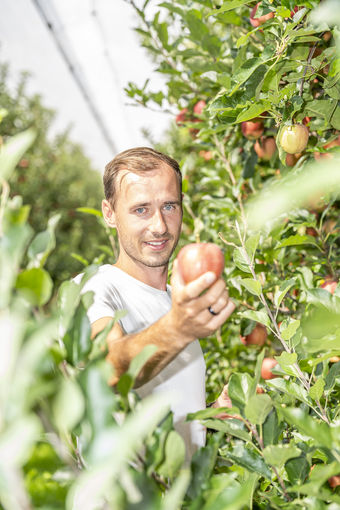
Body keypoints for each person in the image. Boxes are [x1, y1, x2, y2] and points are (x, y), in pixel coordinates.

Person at [76, 147, 235, 459]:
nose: (160, 226)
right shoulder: (94, 288)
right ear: (109, 213)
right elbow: (106, 366)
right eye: (141, 210)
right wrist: (179, 328)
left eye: (169, 206)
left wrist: (216, 416)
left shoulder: (175, 302)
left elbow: (177, 423)